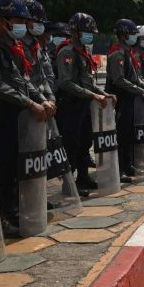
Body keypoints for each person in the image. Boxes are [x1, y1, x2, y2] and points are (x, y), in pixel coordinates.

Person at [0, 0, 53, 234]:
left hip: (17, 117)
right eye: (18, 19)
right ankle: (1, 219)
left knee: (16, 167)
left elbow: (21, 79)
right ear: (2, 20)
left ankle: (14, 210)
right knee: (2, 169)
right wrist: (31, 103)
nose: (23, 25)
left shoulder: (10, 48)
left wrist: (42, 100)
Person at [54, 13, 112, 193]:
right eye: (86, 31)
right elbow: (66, 83)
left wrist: (103, 93)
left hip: (84, 104)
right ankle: (68, 185)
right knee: (72, 144)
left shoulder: (84, 52)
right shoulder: (67, 52)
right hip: (70, 105)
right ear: (74, 31)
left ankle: (83, 177)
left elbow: (88, 81)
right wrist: (93, 95)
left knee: (85, 143)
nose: (90, 35)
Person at [106, 19, 144, 182]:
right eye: (132, 35)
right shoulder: (117, 53)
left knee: (129, 134)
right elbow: (119, 80)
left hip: (129, 97)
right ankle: (119, 170)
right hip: (121, 98)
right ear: (124, 35)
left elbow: (136, 78)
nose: (134, 38)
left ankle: (127, 165)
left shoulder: (127, 52)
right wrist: (141, 91)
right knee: (122, 135)